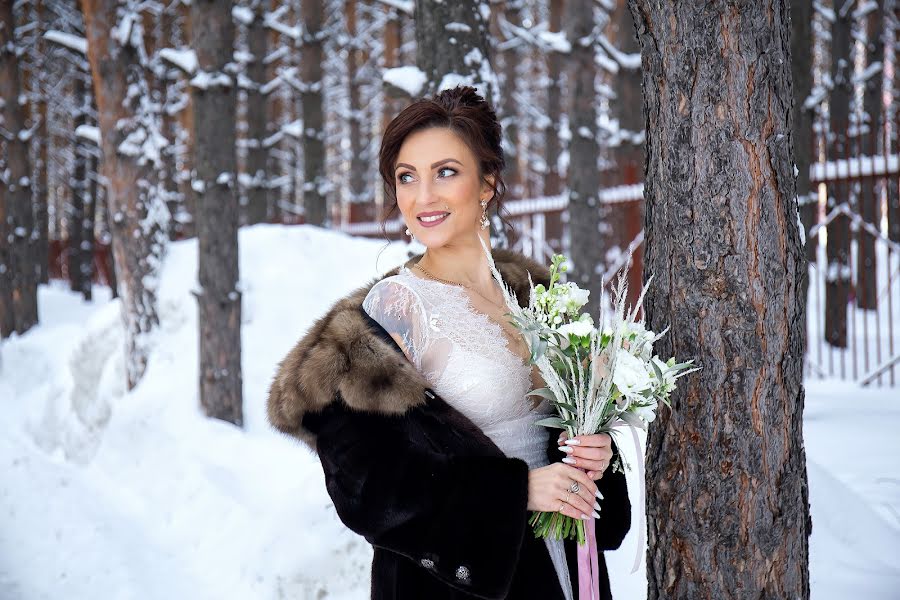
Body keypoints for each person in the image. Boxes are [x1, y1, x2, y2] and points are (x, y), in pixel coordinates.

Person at [267, 85, 631, 600]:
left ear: (487, 183)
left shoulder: (539, 300)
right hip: (458, 585)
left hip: (564, 568)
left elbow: (566, 427)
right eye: (406, 177)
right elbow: (367, 487)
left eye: (446, 172)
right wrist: (516, 492)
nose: (422, 197)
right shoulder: (396, 309)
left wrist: (598, 453)